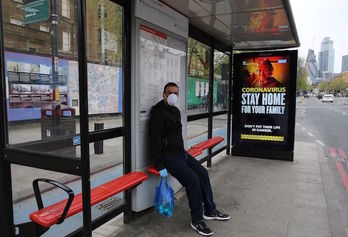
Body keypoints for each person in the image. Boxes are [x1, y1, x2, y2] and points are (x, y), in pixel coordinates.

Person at [149, 82, 230, 236]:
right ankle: (197, 220)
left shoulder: (175, 111)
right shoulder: (158, 113)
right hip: (168, 157)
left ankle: (210, 210)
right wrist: (159, 165)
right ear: (164, 94)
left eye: (176, 93)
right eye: (170, 92)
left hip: (181, 153)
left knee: (203, 173)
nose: (173, 95)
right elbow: (154, 140)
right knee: (192, 180)